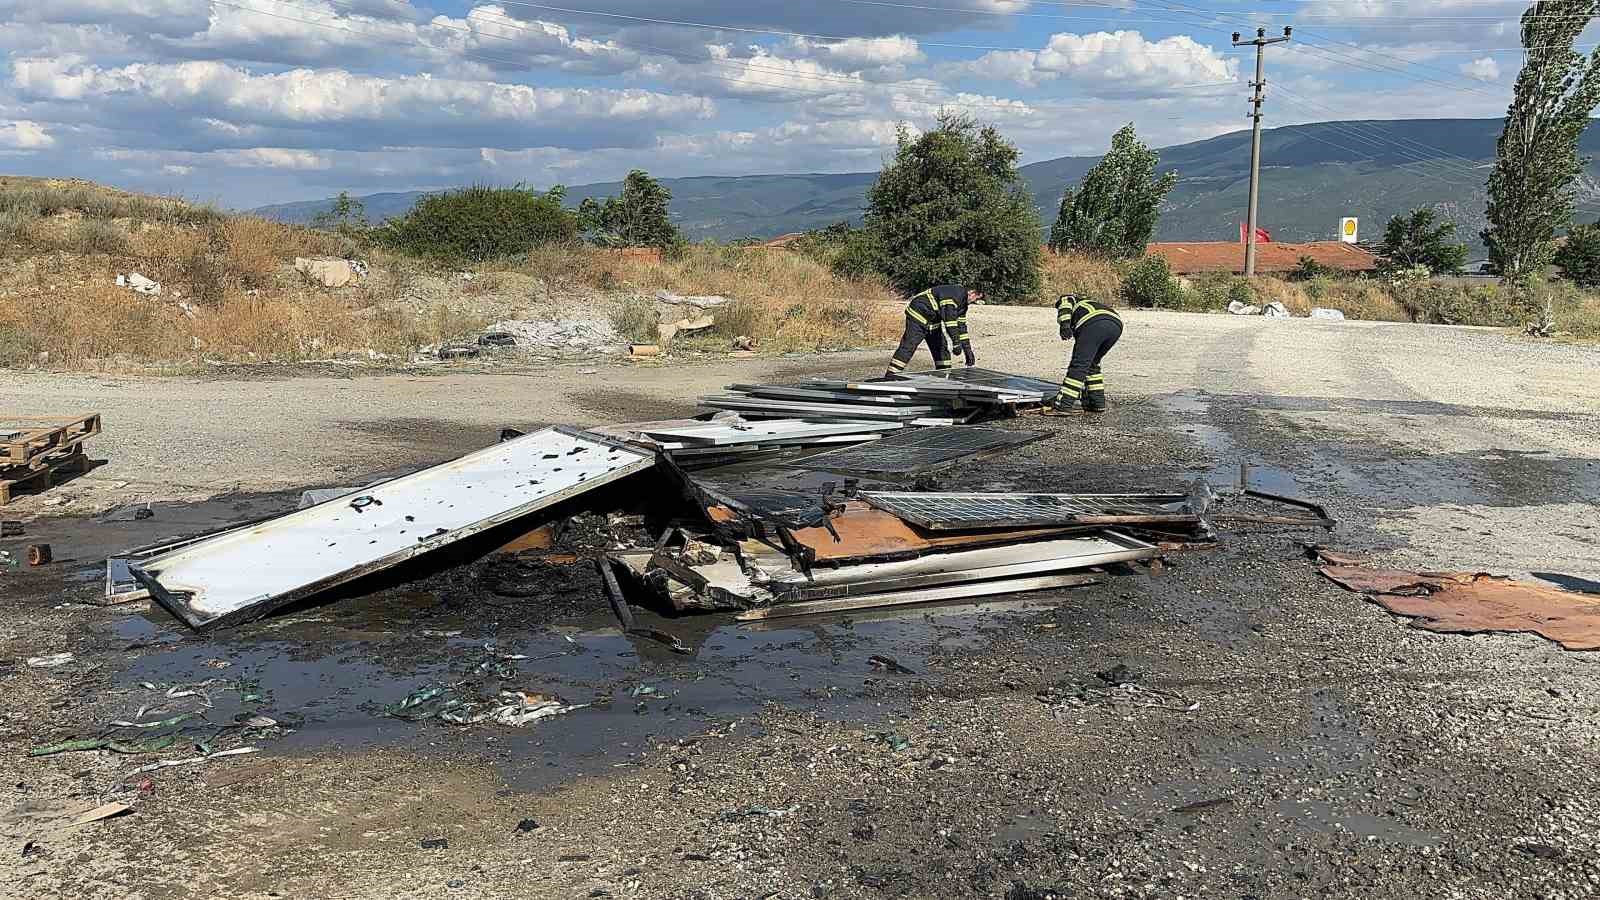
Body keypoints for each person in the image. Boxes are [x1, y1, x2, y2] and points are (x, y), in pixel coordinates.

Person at [884, 284, 982, 378]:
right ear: (972, 293)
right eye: (976, 298)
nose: (976, 301)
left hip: (933, 321)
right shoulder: (955, 294)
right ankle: (890, 376)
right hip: (918, 315)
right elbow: (950, 322)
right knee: (908, 347)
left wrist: (968, 351)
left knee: (942, 350)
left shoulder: (963, 305)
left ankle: (944, 377)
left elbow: (962, 328)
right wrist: (956, 343)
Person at [1049, 293, 1122, 413]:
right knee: (1092, 364)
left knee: (1079, 365)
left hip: (1094, 323)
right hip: (1116, 325)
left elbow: (1065, 306)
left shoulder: (1068, 299)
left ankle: (1063, 404)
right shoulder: (1088, 304)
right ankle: (1097, 402)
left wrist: (1065, 326)